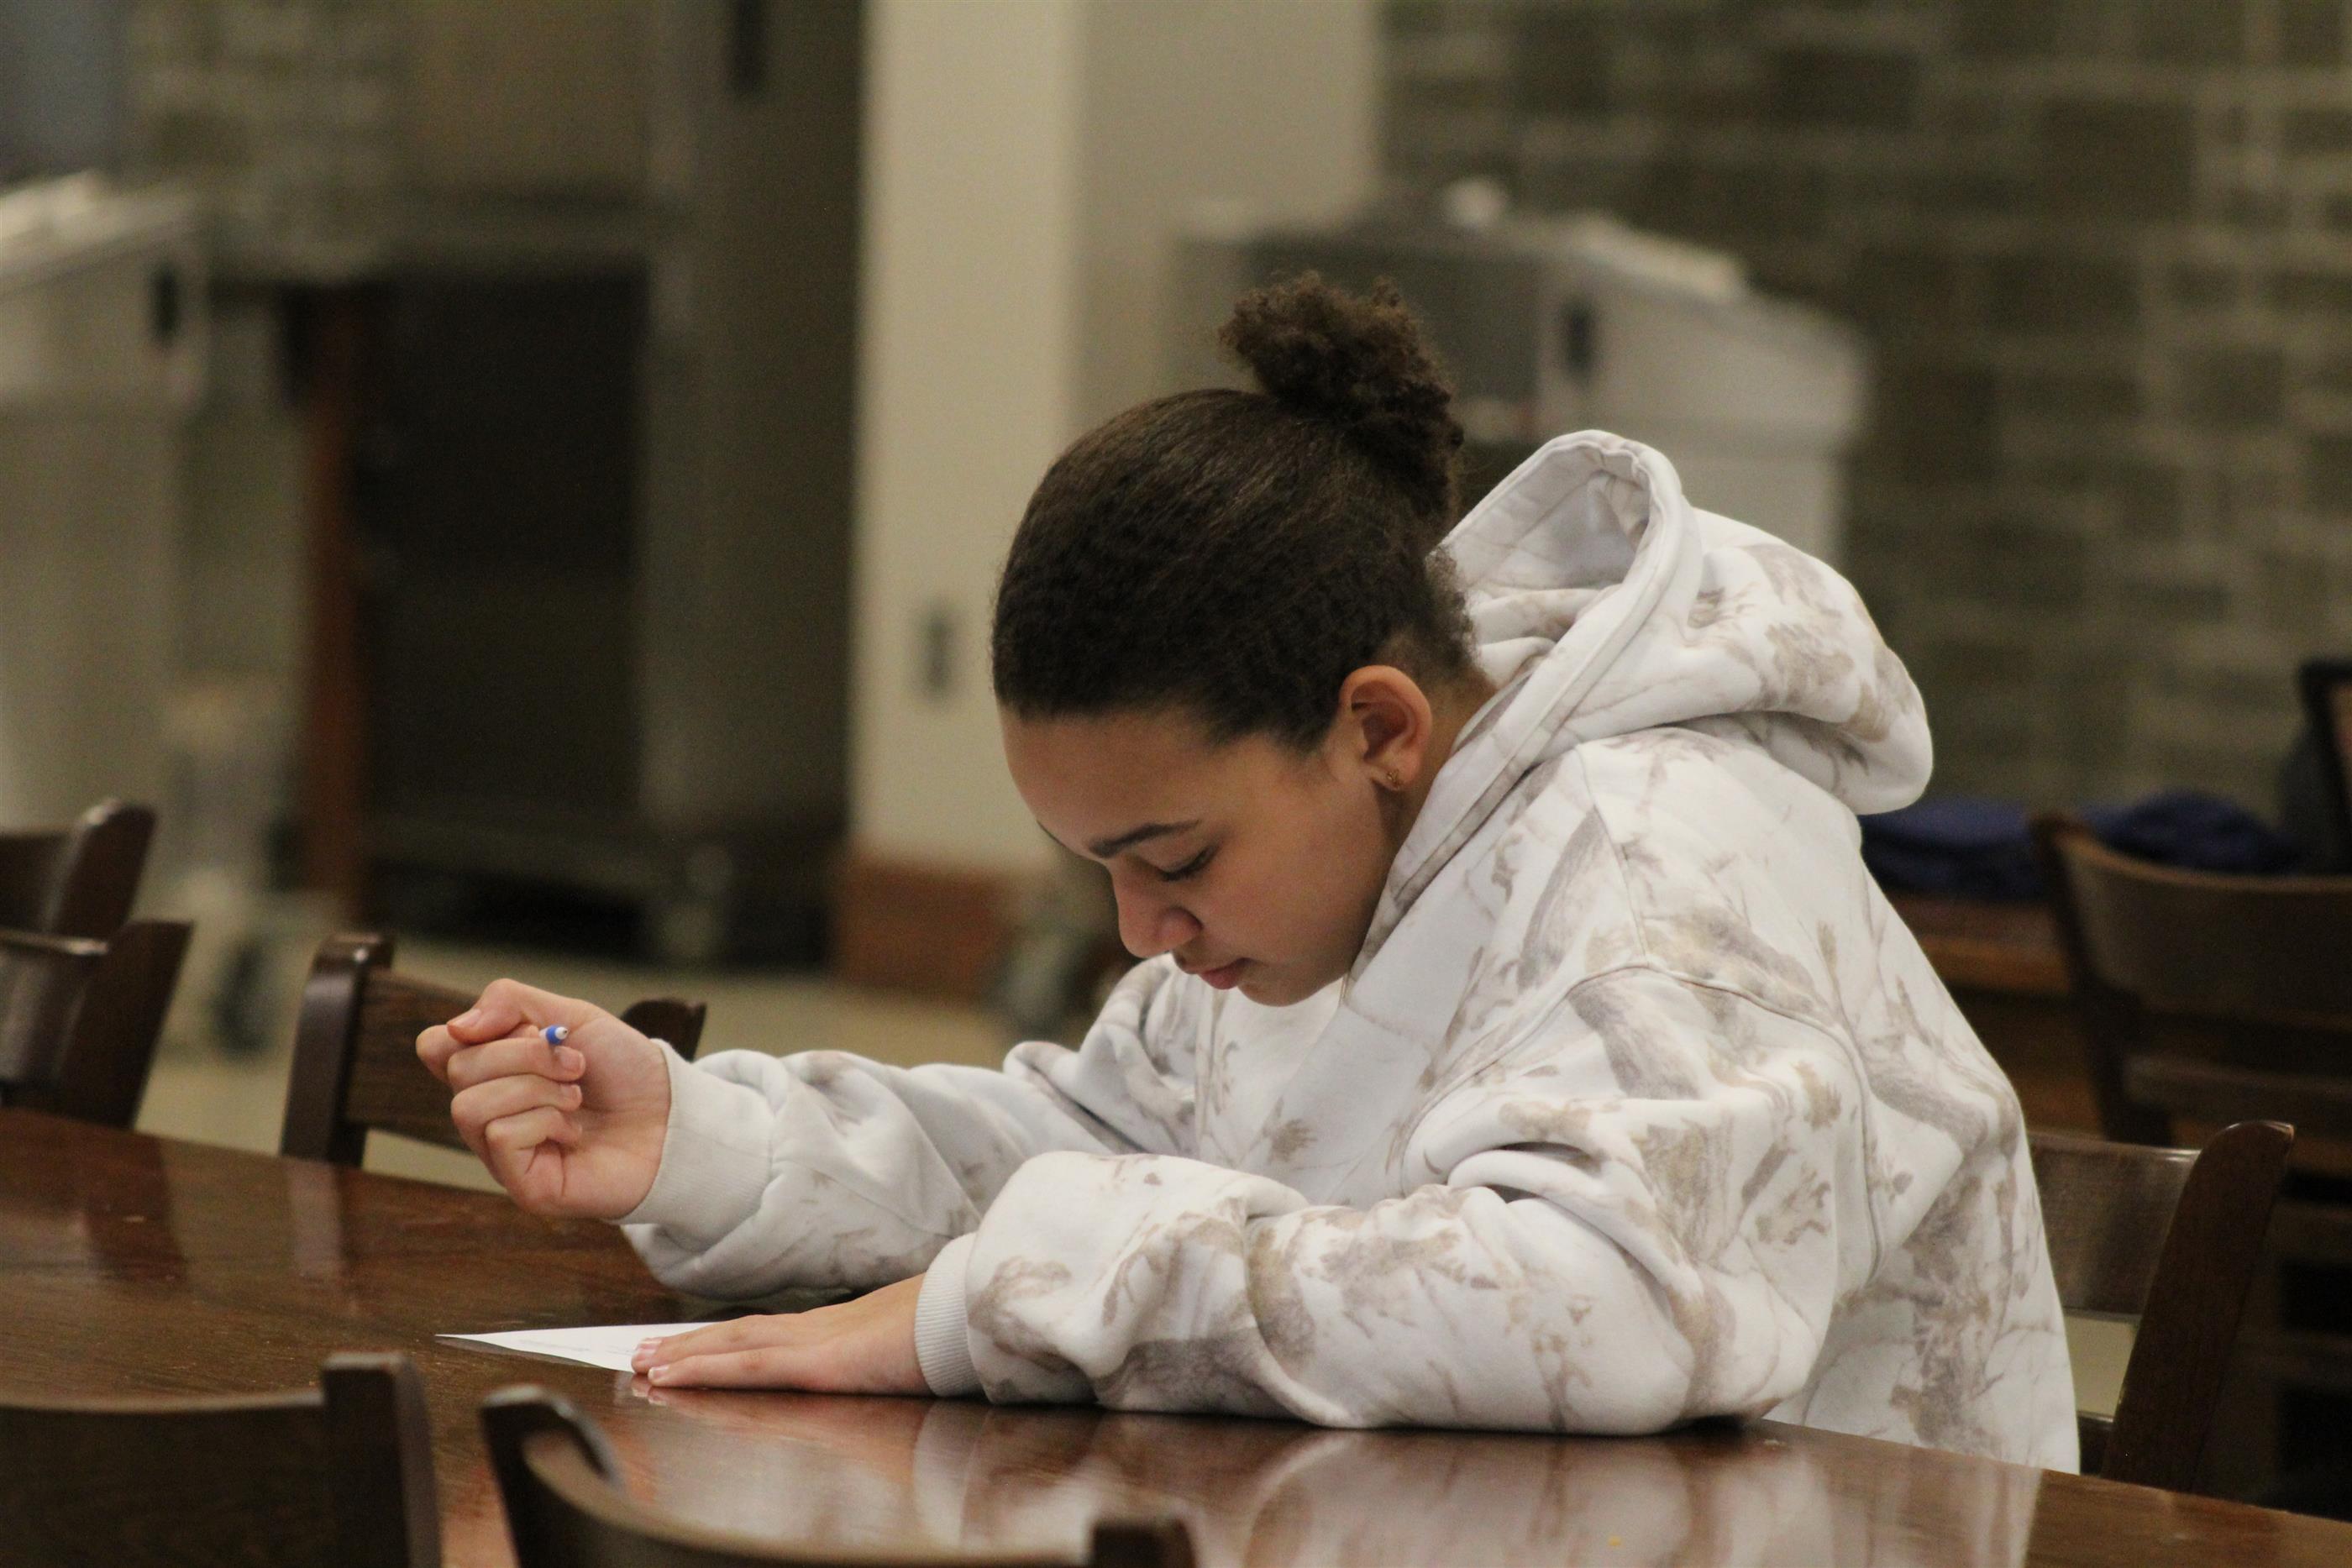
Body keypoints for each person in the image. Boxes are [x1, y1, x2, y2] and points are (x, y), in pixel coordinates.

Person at [418, 275, 2076, 1468]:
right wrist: (703, 1137)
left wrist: (1023, 1298)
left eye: (1174, 858)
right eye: (1099, 870)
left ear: (1377, 727)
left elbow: (1611, 1301)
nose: (1142, 930)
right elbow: (1102, 1140)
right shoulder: (1339, 872)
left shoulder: (1659, 870)